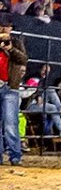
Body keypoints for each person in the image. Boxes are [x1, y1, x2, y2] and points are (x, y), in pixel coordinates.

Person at [0, 15, 27, 165]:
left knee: (11, 124)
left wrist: (10, 49)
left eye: (7, 26)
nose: (4, 29)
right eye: (2, 26)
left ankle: (15, 156)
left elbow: (23, 59)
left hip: (10, 86)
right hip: (6, 86)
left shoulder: (16, 43)